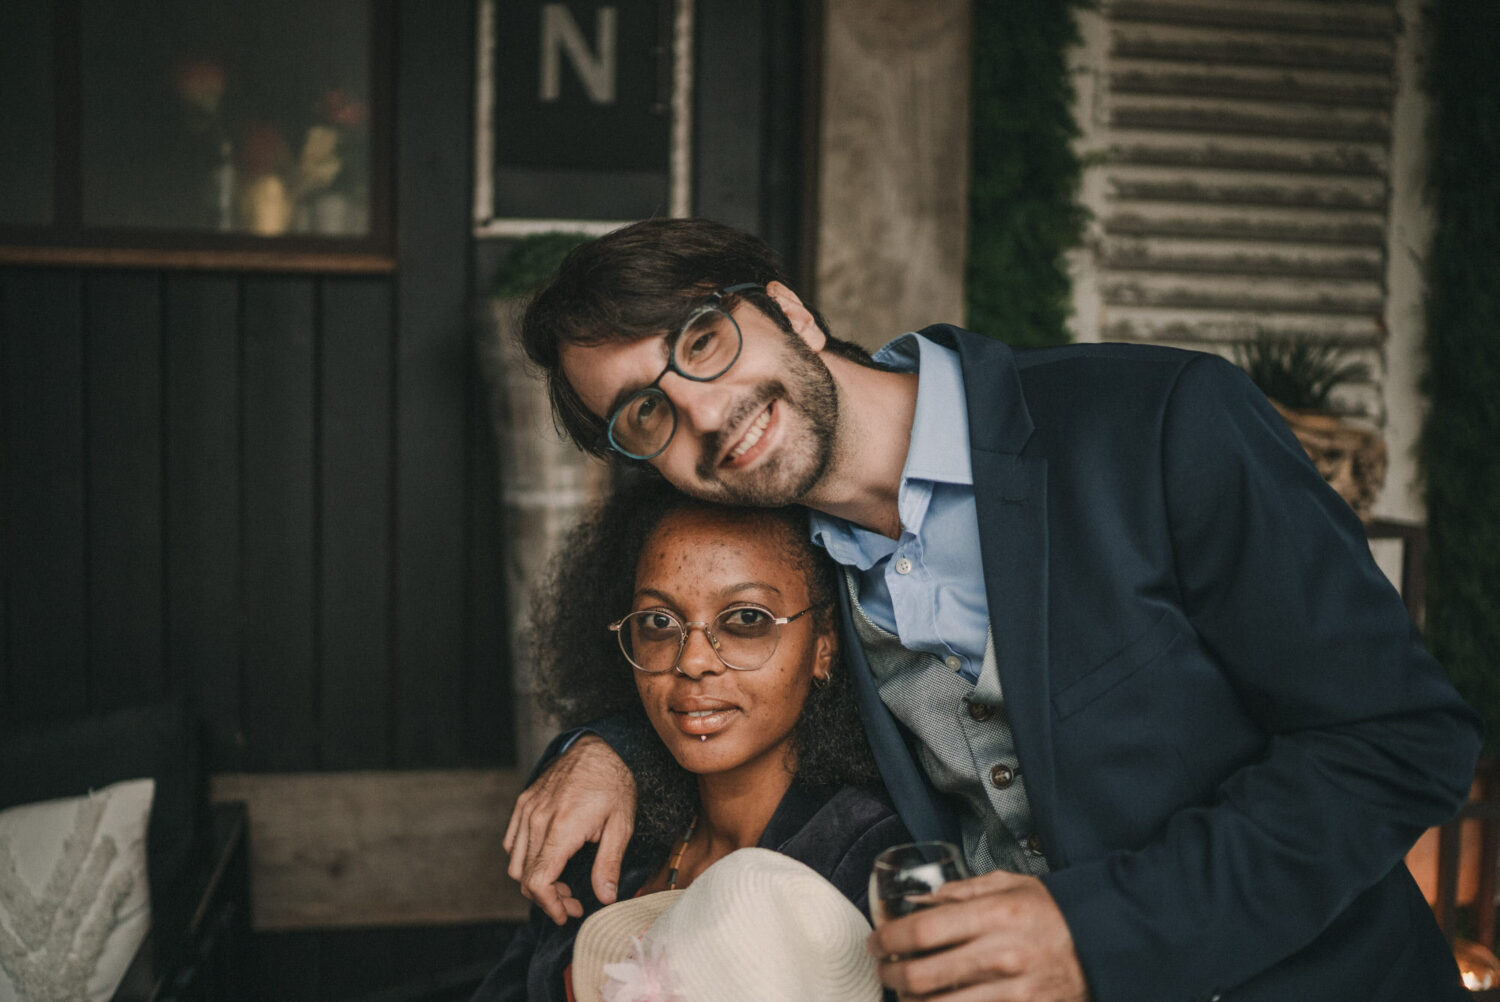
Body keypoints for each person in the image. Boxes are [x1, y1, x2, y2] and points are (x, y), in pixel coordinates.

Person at [502, 218, 1484, 1002]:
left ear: (788, 310)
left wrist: (1092, 936)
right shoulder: (790, 559)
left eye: (704, 342)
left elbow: (1400, 741)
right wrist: (606, 748)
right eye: (645, 415)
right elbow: (715, 664)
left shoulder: (1156, 423)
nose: (704, 414)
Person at [475, 475, 910, 1001]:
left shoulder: (870, 860)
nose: (693, 661)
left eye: (747, 619)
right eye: (659, 621)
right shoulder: (608, 836)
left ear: (823, 646)